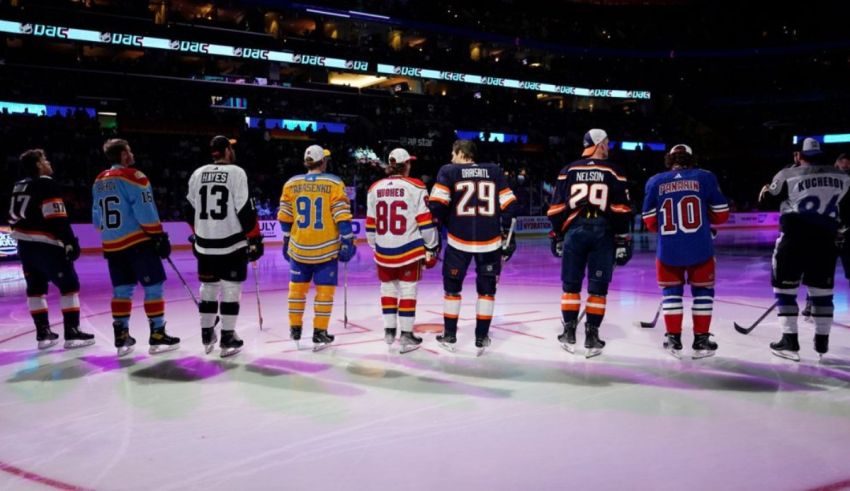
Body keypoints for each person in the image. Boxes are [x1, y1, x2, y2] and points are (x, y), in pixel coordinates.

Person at [759, 138, 850, 361]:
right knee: (822, 292)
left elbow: (766, 202)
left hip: (794, 240)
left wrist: (765, 190)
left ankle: (789, 342)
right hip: (825, 241)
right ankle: (822, 342)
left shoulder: (787, 174)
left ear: (799, 155)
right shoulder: (843, 177)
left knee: (784, 290)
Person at [547, 129, 632, 358]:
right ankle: (592, 336)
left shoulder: (569, 169)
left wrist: (556, 233)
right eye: (606, 142)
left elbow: (555, 208)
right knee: (598, 288)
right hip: (602, 233)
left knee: (570, 286)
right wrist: (623, 238)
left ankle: (569, 333)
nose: (608, 146)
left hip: (575, 232)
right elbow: (621, 209)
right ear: (598, 144)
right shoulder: (614, 170)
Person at [428, 139, 517, 355]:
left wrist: (450, 222)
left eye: (453, 152)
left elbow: (436, 205)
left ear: (460, 153)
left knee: (452, 289)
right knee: (487, 291)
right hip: (490, 241)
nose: (451, 157)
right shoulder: (494, 170)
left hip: (459, 241)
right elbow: (510, 205)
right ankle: (481, 336)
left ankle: (450, 335)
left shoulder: (449, 171)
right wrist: (506, 234)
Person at [641, 144, 729, 359]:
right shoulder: (705, 177)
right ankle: (701, 341)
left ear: (670, 159)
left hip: (668, 249)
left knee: (671, 293)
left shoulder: (655, 181)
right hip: (701, 247)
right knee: (703, 293)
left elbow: (650, 221)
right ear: (692, 158)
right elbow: (722, 214)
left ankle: (673, 338)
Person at [92, 138, 178, 357]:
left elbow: (96, 218)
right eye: (129, 151)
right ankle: (157, 333)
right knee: (154, 285)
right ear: (123, 155)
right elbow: (145, 209)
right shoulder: (134, 177)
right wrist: (158, 236)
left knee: (122, 290)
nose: (132, 154)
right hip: (137, 243)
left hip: (112, 245)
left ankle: (121, 336)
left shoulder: (98, 180)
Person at [8, 149, 94, 350]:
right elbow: (56, 216)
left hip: (24, 246)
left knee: (36, 290)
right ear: (38, 165)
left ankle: (43, 334)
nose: (48, 162)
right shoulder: (46, 182)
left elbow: (11, 216)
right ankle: (72, 332)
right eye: (44, 159)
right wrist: (70, 241)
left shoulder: (18, 185)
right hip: (47, 245)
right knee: (69, 286)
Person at [186, 136, 263, 358]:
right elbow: (245, 210)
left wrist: (198, 234)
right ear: (228, 150)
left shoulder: (197, 173)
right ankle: (228, 336)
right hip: (231, 242)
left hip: (205, 245)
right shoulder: (237, 173)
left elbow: (188, 210)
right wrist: (255, 238)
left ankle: (206, 333)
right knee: (231, 288)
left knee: (208, 288)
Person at [278, 145, 355, 351]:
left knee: (296, 291)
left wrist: (287, 240)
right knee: (324, 293)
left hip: (299, 248)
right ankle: (319, 332)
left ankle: (295, 328)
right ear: (323, 162)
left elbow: (285, 217)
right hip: (326, 249)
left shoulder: (291, 183)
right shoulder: (334, 182)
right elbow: (341, 216)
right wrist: (348, 240)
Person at [365, 148, 439, 353]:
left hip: (383, 249)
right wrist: (432, 246)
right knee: (408, 290)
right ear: (406, 164)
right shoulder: (416, 186)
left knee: (387, 288)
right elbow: (425, 222)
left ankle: (389, 330)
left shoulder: (374, 188)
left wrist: (375, 245)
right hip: (408, 249)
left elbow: (370, 224)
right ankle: (406, 334)